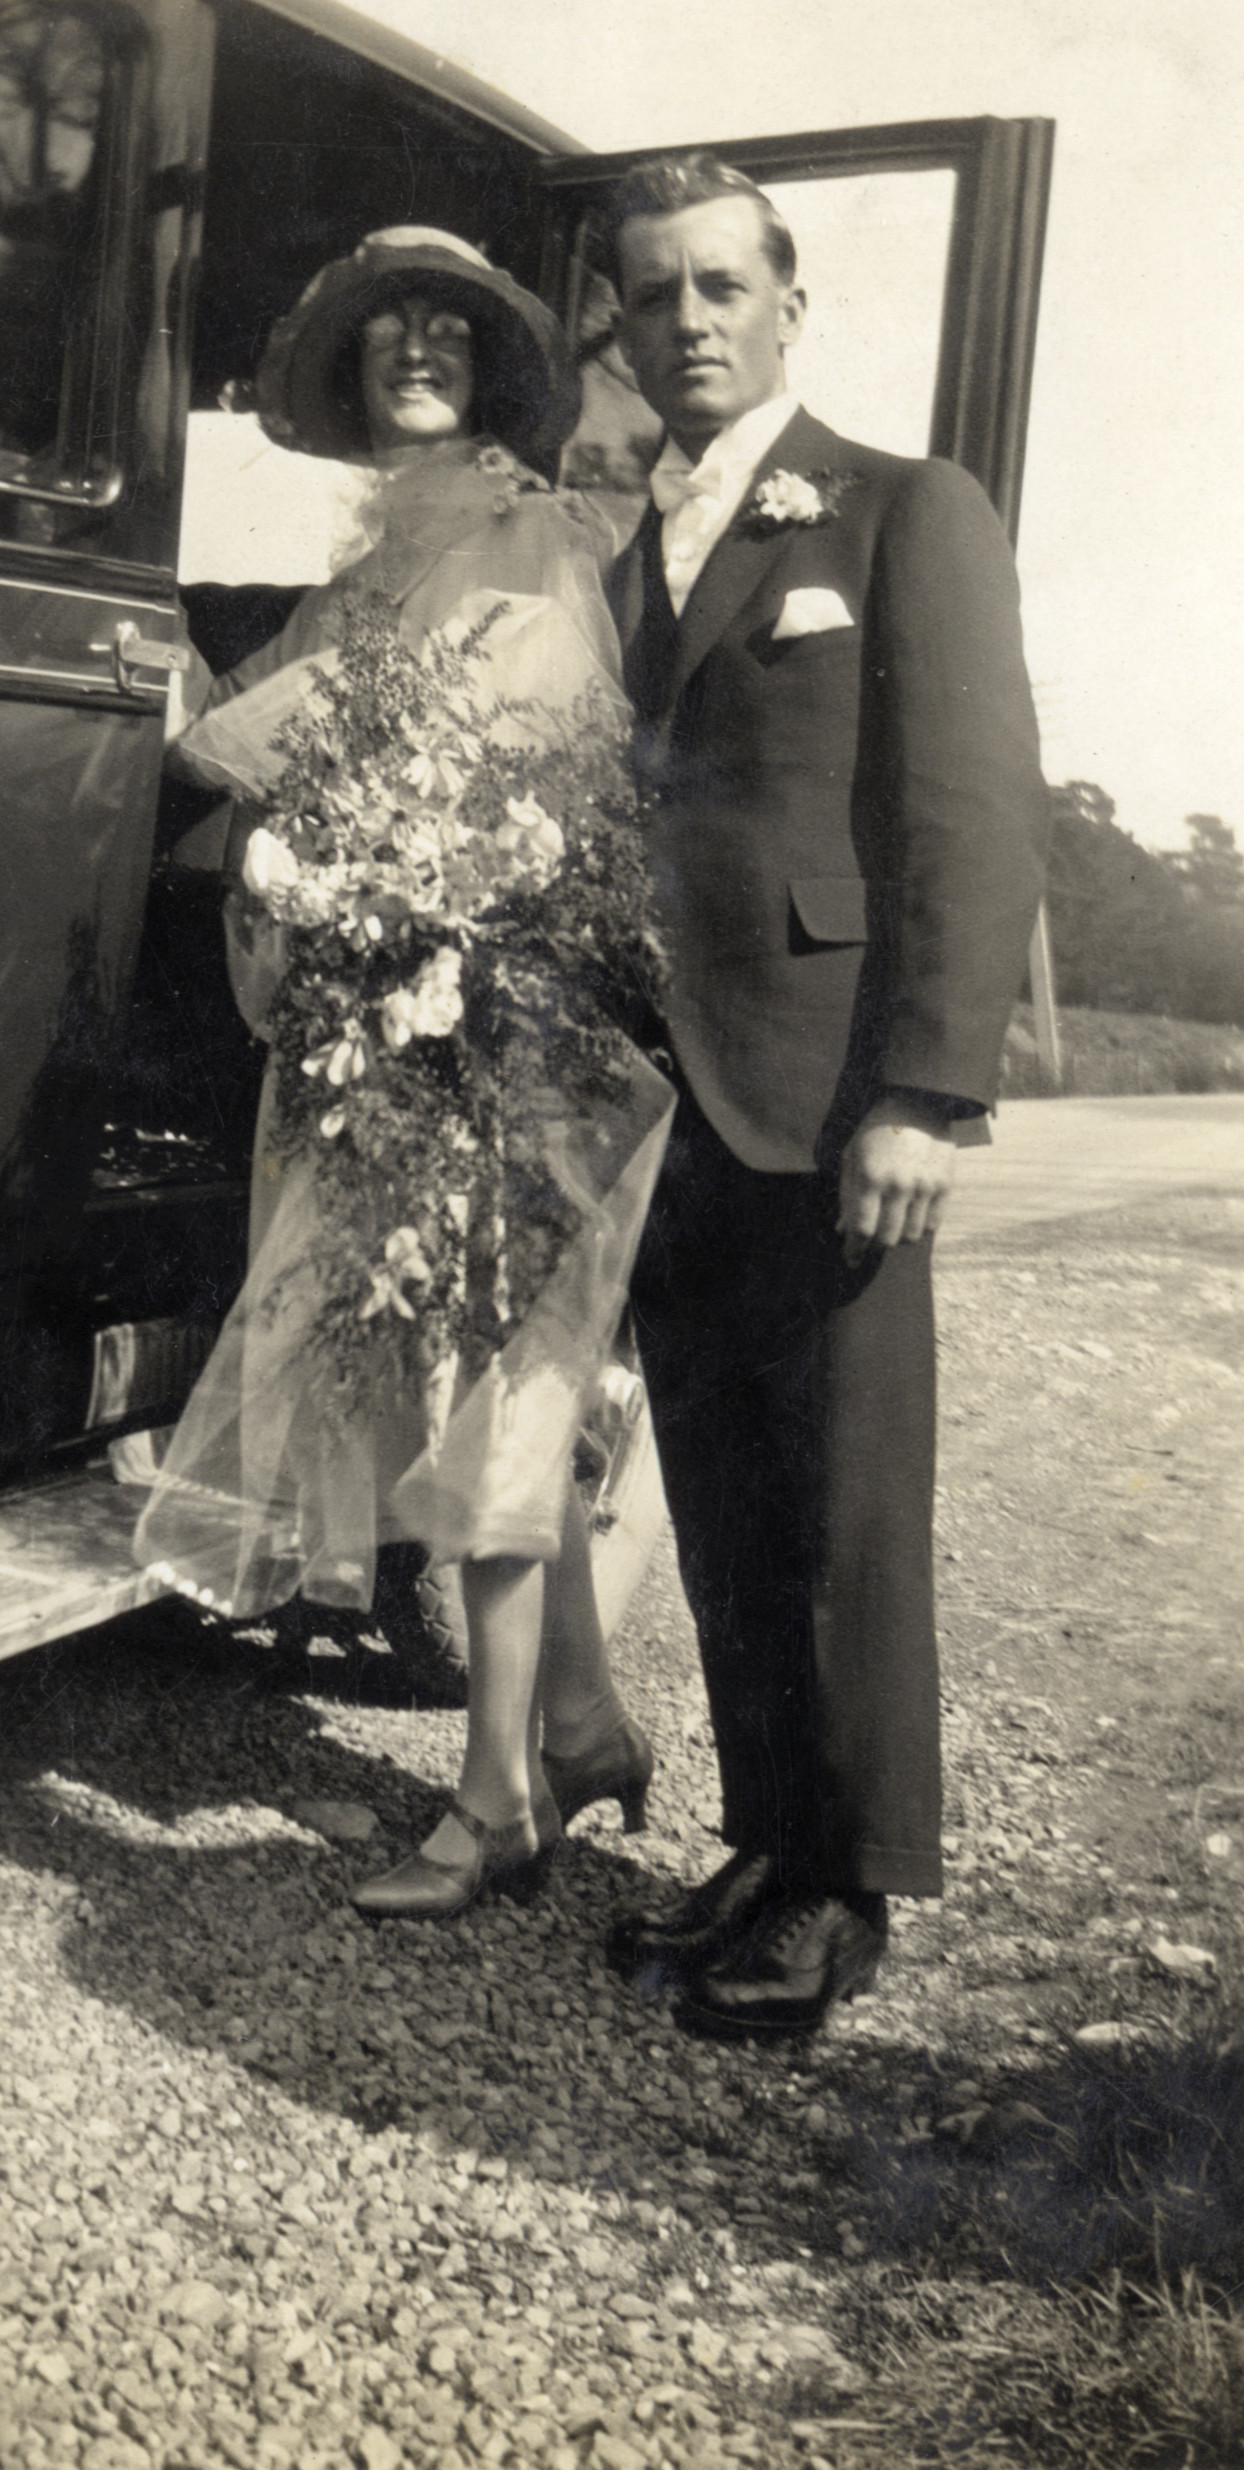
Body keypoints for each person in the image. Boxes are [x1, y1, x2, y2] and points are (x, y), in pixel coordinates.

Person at [135, 229, 669, 1920]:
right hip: (373, 1008)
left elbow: (548, 772)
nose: (415, 352)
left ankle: (501, 1799)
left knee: (484, 1393)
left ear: (495, 370)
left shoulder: (524, 529)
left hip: (471, 1017)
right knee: (448, 1388)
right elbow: (293, 731)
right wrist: (180, 690)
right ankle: (574, 1725)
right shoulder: (366, 551)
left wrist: (404, 920)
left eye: (448, 331)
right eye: (388, 335)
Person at [601, 156, 1049, 2036]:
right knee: (719, 1496)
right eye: (652, 296)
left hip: (830, 1092)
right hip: (666, 1105)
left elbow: (966, 807)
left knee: (848, 1505)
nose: (687, 320)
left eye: (720, 285)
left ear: (791, 303)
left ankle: (856, 1883)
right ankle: (775, 1837)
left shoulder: (899, 510)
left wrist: (928, 1091)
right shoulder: (631, 547)